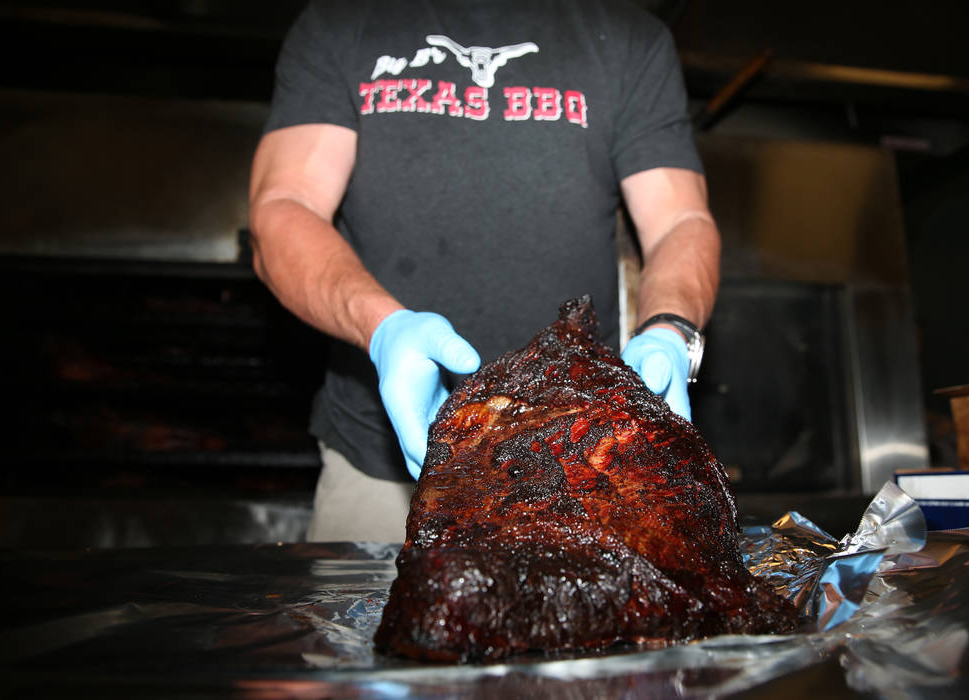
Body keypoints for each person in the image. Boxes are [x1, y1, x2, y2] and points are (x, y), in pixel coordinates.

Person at [248, 0, 721, 542]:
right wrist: (380, 328)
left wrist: (670, 329)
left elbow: (680, 221)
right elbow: (284, 207)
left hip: (583, 463)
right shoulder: (345, 21)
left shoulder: (628, 38)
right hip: (383, 476)